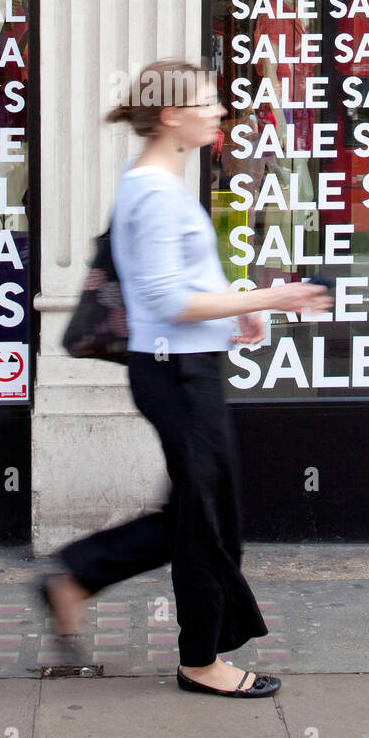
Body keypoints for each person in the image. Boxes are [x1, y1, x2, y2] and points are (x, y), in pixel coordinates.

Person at [40, 58, 332, 698]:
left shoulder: (158, 181)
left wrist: (236, 316)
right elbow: (170, 302)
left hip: (185, 366)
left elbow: (173, 291)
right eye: (207, 101)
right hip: (175, 374)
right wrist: (270, 298)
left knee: (198, 514)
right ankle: (200, 661)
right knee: (207, 520)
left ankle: (77, 574)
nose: (219, 110)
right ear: (172, 115)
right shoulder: (153, 190)